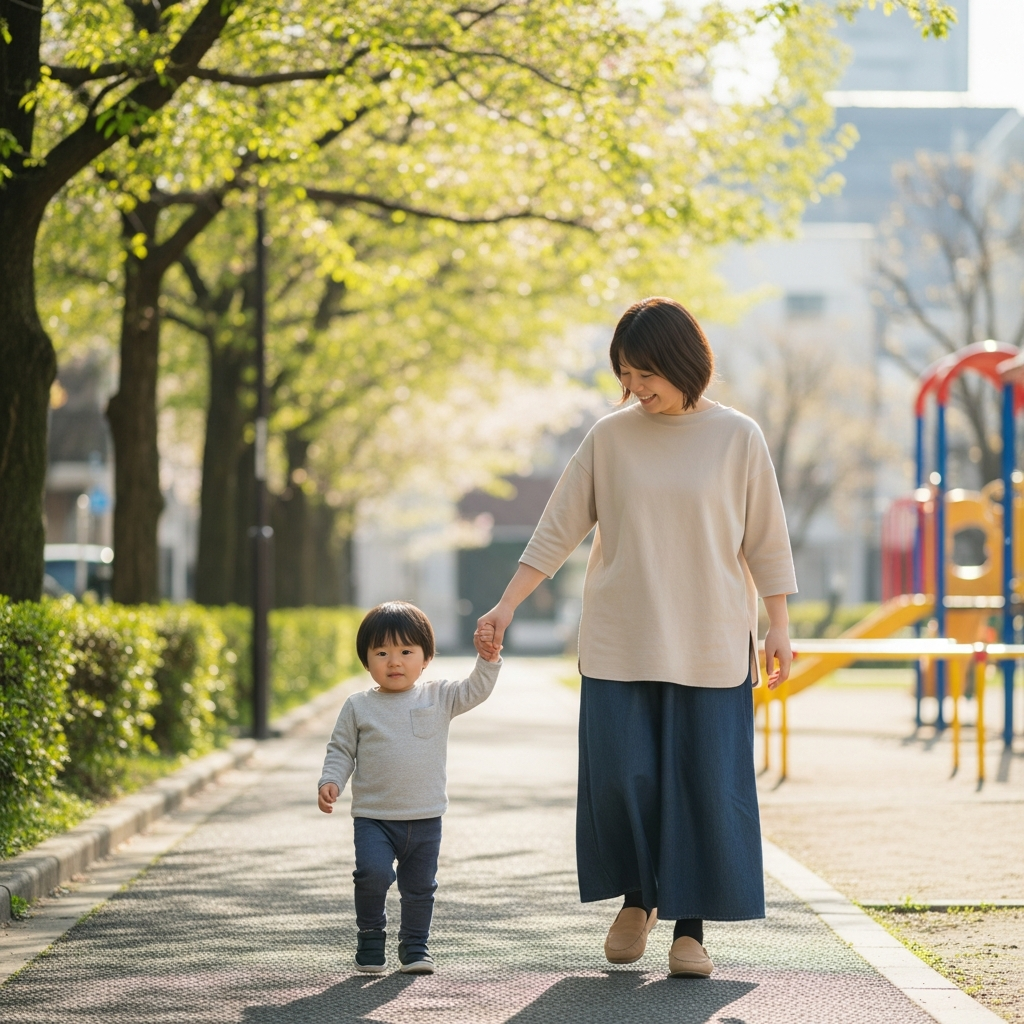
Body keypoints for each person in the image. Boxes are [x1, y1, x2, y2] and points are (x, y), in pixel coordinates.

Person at [474, 297, 796, 979]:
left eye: (647, 373)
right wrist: (505, 606)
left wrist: (779, 625)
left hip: (710, 640)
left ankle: (690, 928)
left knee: (703, 783)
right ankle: (638, 898)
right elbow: (557, 528)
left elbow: (765, 538)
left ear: (685, 364)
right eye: (626, 374)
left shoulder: (738, 436)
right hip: (621, 637)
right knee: (622, 774)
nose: (637, 388)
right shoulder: (610, 437)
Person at [318, 600, 502, 975]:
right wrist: (331, 780)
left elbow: (476, 689)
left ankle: (415, 946)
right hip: (374, 817)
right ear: (366, 660)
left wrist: (487, 659)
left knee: (420, 888)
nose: (394, 661)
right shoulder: (358, 706)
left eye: (405, 651)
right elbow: (341, 750)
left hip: (425, 816)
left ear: (426, 657)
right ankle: (371, 936)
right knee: (372, 874)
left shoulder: (439, 696)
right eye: (381, 653)